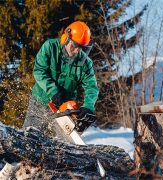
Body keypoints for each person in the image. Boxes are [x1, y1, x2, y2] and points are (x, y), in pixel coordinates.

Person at [0, 21, 99, 179]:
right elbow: (39, 71)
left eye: (81, 48)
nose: (76, 51)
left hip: (63, 111)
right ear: (65, 39)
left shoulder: (85, 63)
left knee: (63, 148)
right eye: (74, 46)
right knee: (27, 141)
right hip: (40, 101)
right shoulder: (50, 47)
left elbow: (92, 87)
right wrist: (53, 91)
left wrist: (88, 107)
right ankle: (7, 172)